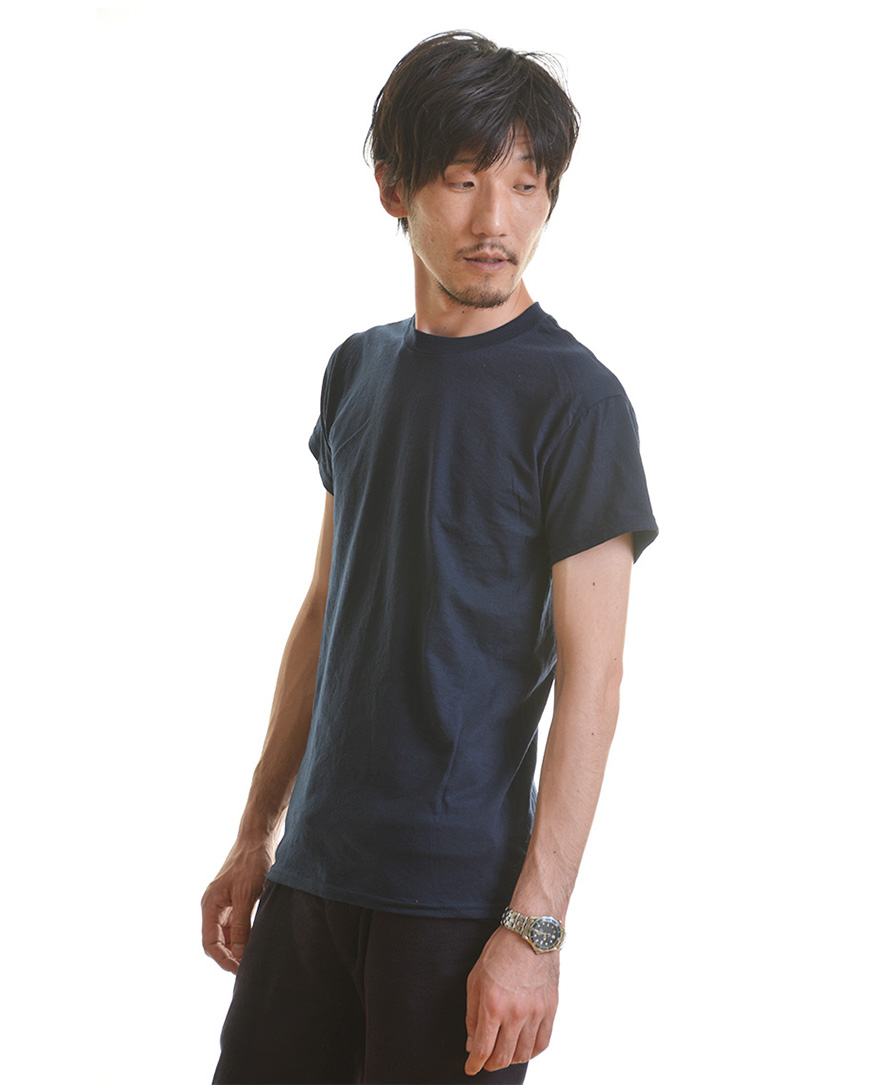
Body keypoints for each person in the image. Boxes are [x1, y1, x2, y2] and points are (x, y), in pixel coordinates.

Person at [202, 29, 658, 1085]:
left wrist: (534, 930)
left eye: (526, 185)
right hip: (312, 880)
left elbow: (594, 680)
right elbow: (327, 606)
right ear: (392, 189)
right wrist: (254, 831)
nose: (496, 220)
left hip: (455, 905)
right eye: (461, 180)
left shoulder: (578, 402)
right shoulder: (356, 372)